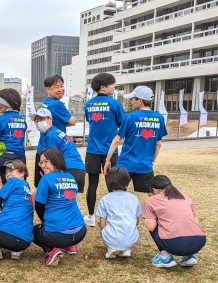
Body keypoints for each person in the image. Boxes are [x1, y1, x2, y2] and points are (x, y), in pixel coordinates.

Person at [104, 86, 168, 195]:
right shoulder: (159, 118)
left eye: (133, 99)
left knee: (117, 192)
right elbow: (158, 144)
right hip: (145, 165)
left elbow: (116, 140)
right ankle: (157, 211)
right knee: (152, 193)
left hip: (125, 164)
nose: (131, 102)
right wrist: (152, 163)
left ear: (140, 100)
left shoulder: (130, 117)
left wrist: (107, 160)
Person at [84, 73, 126, 227]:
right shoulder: (115, 104)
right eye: (112, 84)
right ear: (103, 87)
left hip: (92, 149)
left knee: (92, 184)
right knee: (113, 183)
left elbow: (90, 121)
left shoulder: (88, 104)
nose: (114, 87)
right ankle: (113, 216)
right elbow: (123, 124)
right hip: (111, 151)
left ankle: (90, 216)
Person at [34, 147, 87, 267]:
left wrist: (43, 220)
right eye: (40, 162)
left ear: (54, 159)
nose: (42, 165)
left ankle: (52, 250)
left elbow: (39, 205)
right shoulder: (71, 177)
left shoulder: (46, 178)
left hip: (57, 235)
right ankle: (70, 246)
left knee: (34, 231)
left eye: (45, 161)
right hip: (80, 232)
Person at [142, 175, 206, 268]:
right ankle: (189, 256)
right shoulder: (185, 197)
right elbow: (195, 222)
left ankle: (165, 257)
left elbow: (151, 227)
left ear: (154, 190)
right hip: (199, 241)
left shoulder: (151, 201)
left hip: (176, 244)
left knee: (152, 224)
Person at [34, 74, 76, 198]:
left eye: (62, 86)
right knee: (54, 184)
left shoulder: (45, 102)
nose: (60, 89)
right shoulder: (57, 104)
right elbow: (72, 121)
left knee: (39, 185)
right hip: (54, 150)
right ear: (48, 89)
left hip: (41, 149)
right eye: (56, 87)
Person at [32, 108, 86, 200]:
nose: (38, 123)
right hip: (79, 169)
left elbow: (51, 158)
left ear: (50, 119)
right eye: (36, 121)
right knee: (67, 202)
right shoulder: (55, 132)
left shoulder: (51, 135)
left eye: (42, 119)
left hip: (68, 169)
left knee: (56, 200)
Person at [0, 160, 34, 261]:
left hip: (5, 238)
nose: (8, 174)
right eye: (6, 172)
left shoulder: (13, 181)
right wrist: (3, 190)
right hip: (24, 242)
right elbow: (12, 205)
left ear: (22, 173)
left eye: (11, 170)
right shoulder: (26, 186)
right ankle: (16, 252)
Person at [0, 88, 27, 200]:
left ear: (8, 101)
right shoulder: (21, 119)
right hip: (20, 158)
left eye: (0, 101)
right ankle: (18, 209)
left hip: (3, 157)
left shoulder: (0, 120)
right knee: (18, 186)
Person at [97, 167, 142, 258]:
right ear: (127, 181)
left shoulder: (105, 200)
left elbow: (102, 224)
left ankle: (112, 248)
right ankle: (126, 249)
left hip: (112, 238)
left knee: (102, 228)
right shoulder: (134, 198)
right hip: (132, 239)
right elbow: (136, 222)